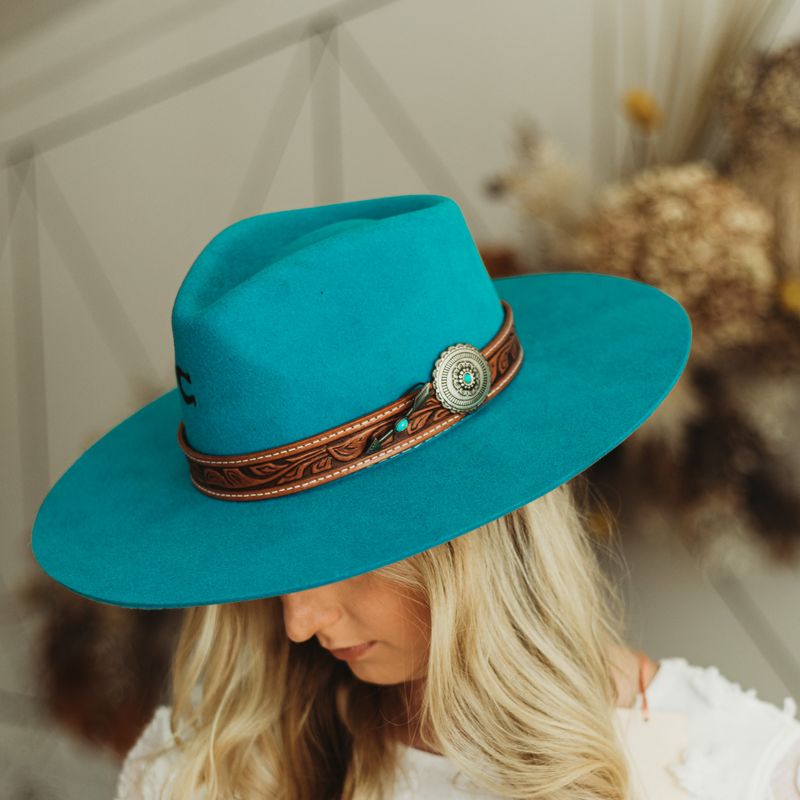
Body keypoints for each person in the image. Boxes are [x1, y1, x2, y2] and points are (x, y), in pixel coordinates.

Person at [31, 196, 800, 799]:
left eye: (346, 555)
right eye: (267, 567)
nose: (299, 623)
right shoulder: (212, 776)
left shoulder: (737, 776)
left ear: (479, 530)